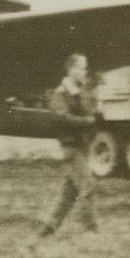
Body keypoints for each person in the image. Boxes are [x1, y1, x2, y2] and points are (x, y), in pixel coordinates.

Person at [38, 53, 99, 237]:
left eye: (85, 67)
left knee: (69, 193)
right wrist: (87, 121)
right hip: (71, 148)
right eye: (81, 68)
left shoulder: (78, 91)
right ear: (71, 69)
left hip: (80, 146)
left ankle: (47, 230)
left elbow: (89, 110)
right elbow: (61, 119)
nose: (84, 71)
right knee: (87, 186)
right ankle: (90, 231)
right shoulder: (60, 94)